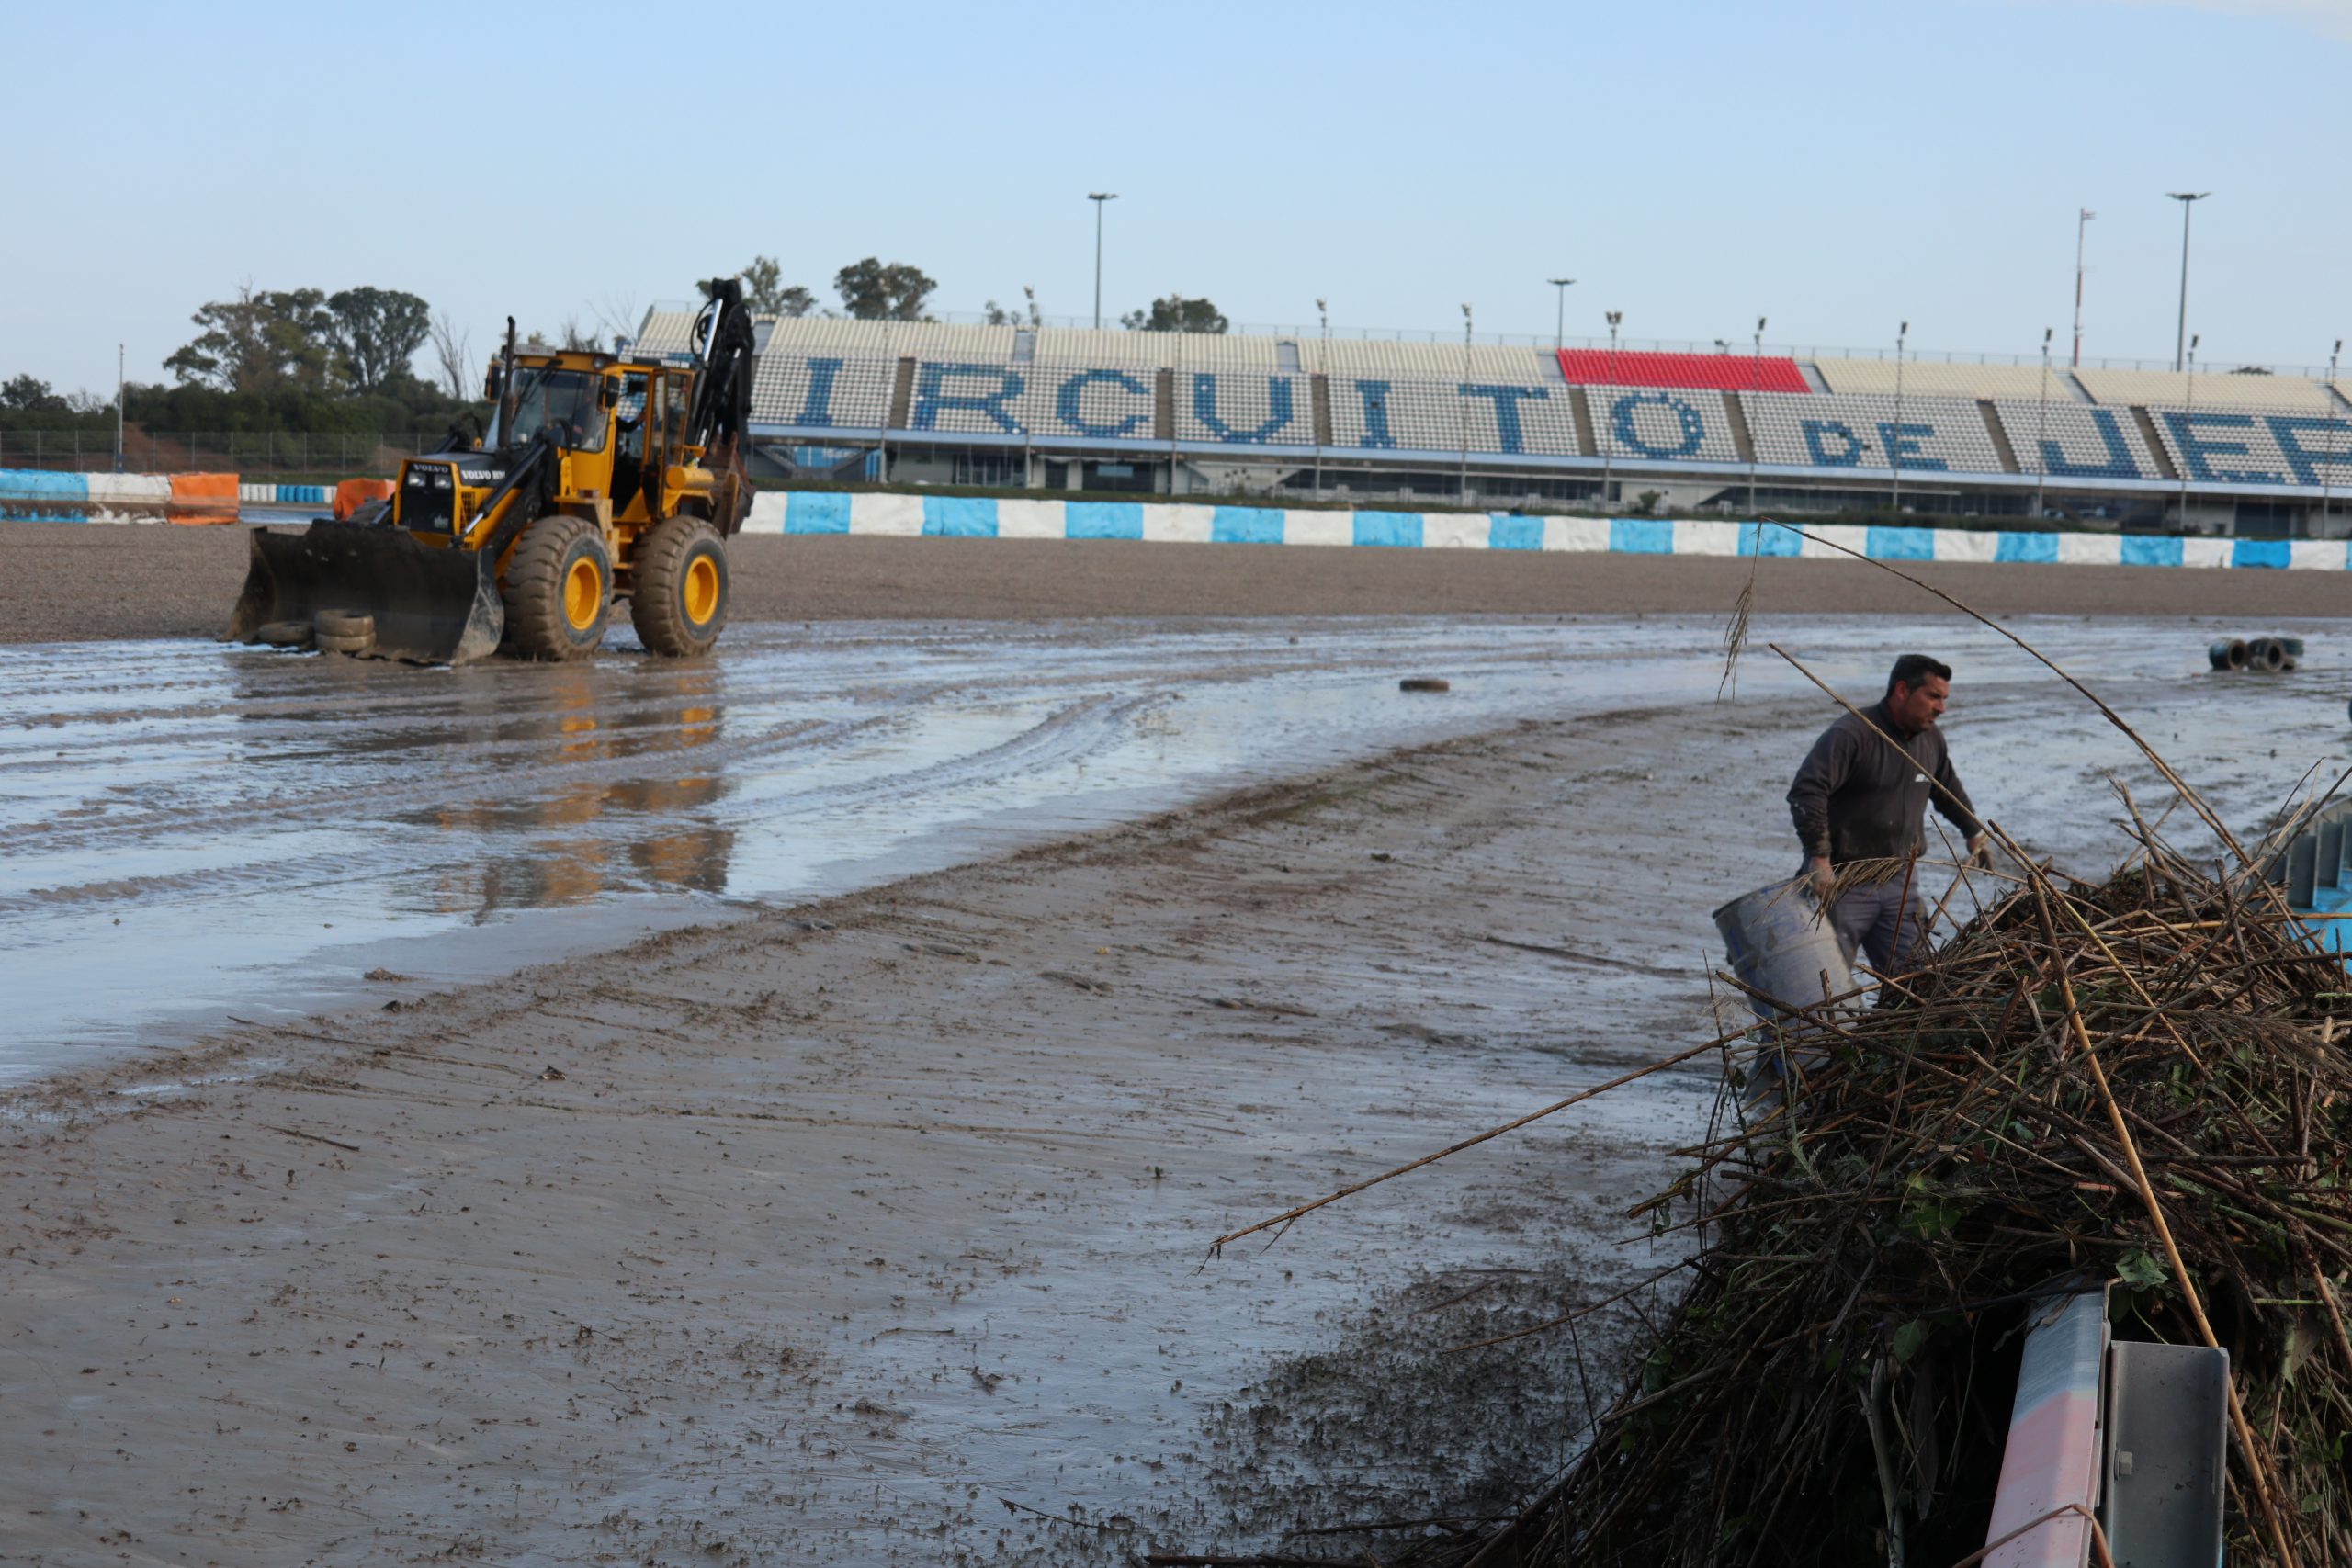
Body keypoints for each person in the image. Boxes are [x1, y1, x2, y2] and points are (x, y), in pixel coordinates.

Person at [1785, 653, 1988, 976]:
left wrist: (1973, 831)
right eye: (1933, 696)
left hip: (1900, 882)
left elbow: (1947, 790)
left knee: (1915, 980)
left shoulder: (1931, 739)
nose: (1941, 708)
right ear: (1902, 691)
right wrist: (1819, 860)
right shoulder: (1852, 734)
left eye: (1944, 699)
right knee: (1825, 982)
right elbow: (1807, 792)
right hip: (1843, 881)